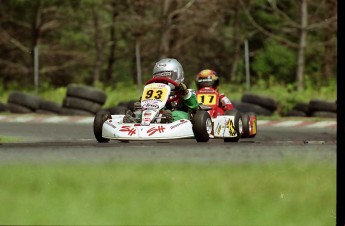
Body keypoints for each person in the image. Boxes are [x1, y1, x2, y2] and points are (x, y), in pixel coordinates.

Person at [123, 58, 199, 123]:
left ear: (177, 75)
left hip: (178, 116)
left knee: (177, 114)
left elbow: (194, 106)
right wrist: (142, 104)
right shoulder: (154, 91)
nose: (163, 80)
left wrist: (185, 93)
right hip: (157, 113)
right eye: (159, 77)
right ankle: (133, 119)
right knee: (141, 113)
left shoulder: (186, 92)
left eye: (167, 76)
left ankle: (166, 119)